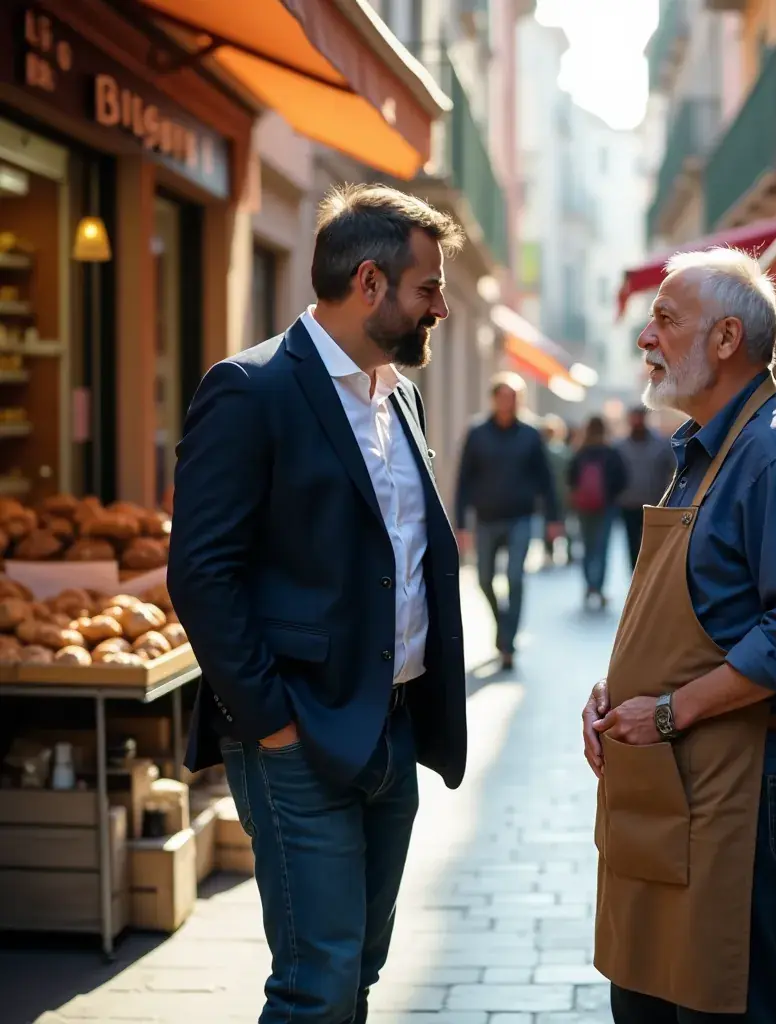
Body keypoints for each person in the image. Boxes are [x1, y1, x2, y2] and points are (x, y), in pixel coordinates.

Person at [168, 183, 469, 1024]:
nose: (439, 306)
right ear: (369, 284)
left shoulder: (397, 395)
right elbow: (201, 572)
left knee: (360, 970)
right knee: (316, 981)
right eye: (427, 288)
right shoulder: (250, 389)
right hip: (296, 732)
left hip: (391, 727)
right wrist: (272, 724)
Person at [581, 247, 776, 1024]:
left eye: (665, 319)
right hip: (668, 781)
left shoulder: (775, 453)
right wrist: (615, 693)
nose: (647, 338)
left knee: (723, 1001)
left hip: (732, 778)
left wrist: (667, 711)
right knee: (648, 996)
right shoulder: (703, 450)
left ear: (728, 338)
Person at [454, 372, 562, 670]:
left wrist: (554, 519)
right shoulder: (477, 433)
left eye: (513, 397)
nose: (507, 402)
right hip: (486, 519)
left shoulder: (530, 434)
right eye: (502, 396)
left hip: (520, 518)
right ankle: (503, 625)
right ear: (493, 399)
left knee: (515, 578)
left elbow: (546, 480)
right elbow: (463, 480)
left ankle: (508, 643)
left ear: (519, 401)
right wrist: (460, 524)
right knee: (484, 580)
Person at [568, 415, 627, 608]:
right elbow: (622, 478)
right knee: (602, 547)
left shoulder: (580, 452)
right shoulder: (610, 452)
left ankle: (588, 585)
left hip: (584, 507)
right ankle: (599, 587)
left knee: (587, 546)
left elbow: (570, 478)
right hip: (606, 507)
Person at [615, 406, 675, 570]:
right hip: (628, 503)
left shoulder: (661, 445)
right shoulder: (619, 447)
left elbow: (673, 470)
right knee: (633, 546)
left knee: (654, 545)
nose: (636, 422)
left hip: (655, 503)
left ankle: (652, 578)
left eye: (639, 418)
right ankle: (635, 577)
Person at [540, 413, 574, 567]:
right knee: (565, 523)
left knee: (548, 523)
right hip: (563, 493)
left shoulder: (543, 452)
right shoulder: (565, 452)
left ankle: (549, 552)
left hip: (549, 495)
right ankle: (568, 553)